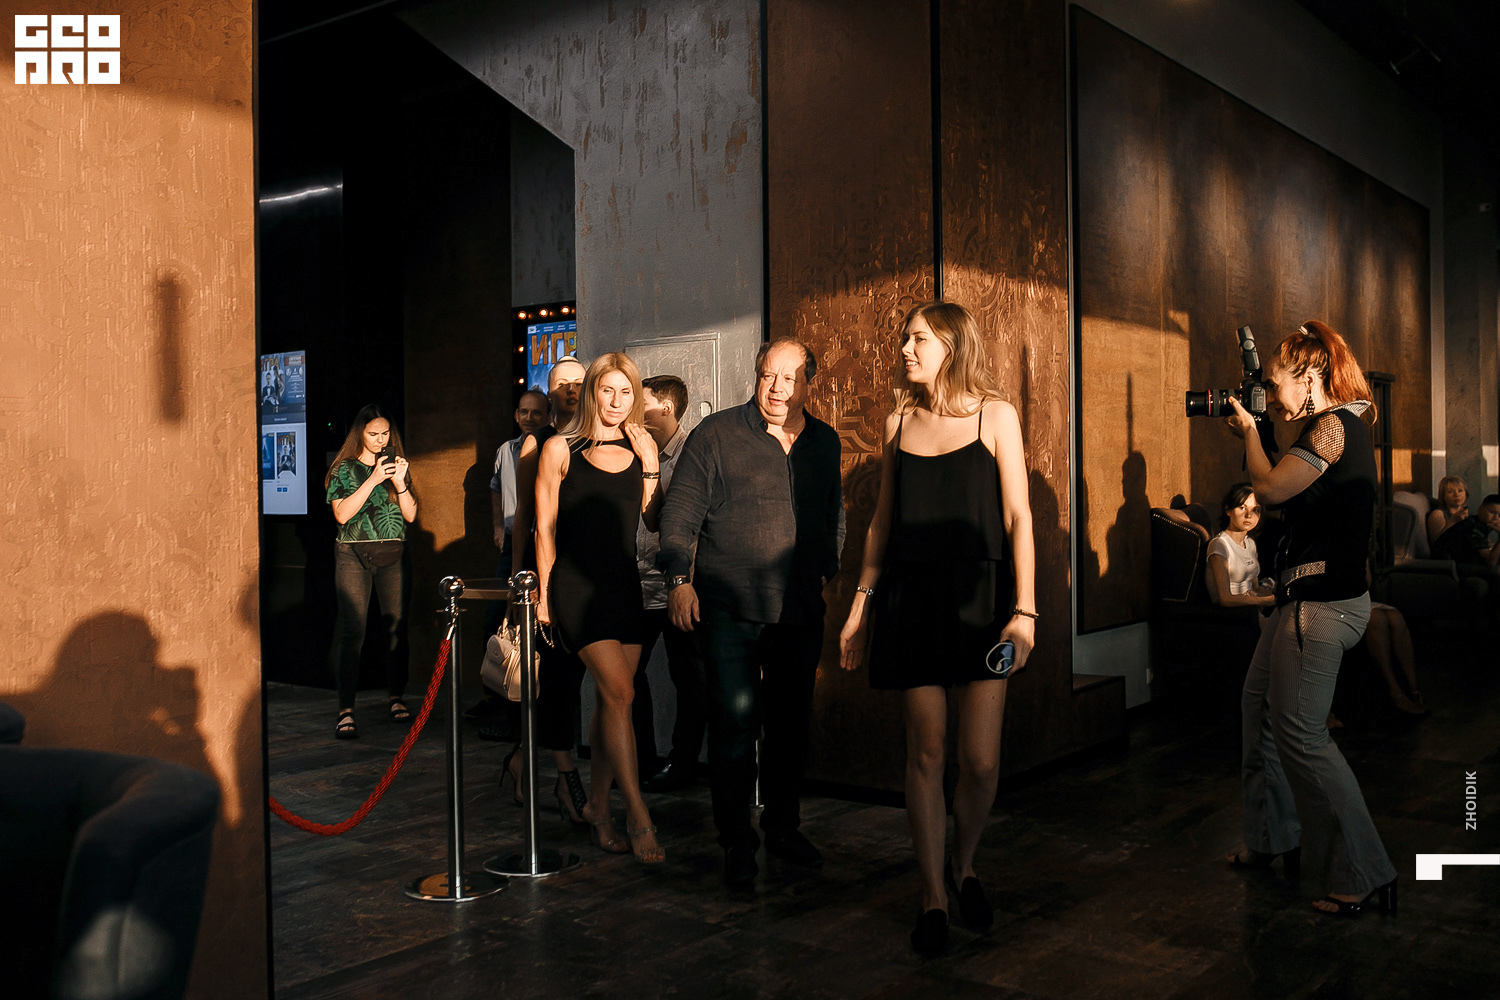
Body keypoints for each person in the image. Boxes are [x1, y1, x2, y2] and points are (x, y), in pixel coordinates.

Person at [836, 301, 1037, 957]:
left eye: (918, 338)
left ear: (953, 345)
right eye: (905, 338)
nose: (905, 349)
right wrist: (861, 608)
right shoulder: (898, 422)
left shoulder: (995, 415)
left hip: (983, 601)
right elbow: (881, 521)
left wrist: (1025, 612)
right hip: (911, 600)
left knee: (980, 760)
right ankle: (932, 896)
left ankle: (964, 863)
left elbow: (1019, 518)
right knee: (925, 752)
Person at [1223, 320, 1397, 916]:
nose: (1271, 397)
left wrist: (1251, 431)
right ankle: (1272, 836)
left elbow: (1270, 490)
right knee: (1257, 709)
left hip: (1322, 604)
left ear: (1311, 375)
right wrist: (1265, 427)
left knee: (1302, 735)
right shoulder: (1328, 428)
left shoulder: (1334, 426)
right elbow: (1292, 491)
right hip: (1300, 599)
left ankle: (1365, 870)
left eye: (1275, 386)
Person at [658, 339, 845, 890]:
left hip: (799, 609)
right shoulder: (715, 435)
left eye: (790, 378)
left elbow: (833, 514)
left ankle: (783, 829)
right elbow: (679, 515)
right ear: (756, 375)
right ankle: (737, 842)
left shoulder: (824, 441)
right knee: (735, 727)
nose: (777, 388)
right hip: (729, 610)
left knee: (790, 726)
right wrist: (679, 581)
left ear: (808, 384)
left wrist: (826, 567)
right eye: (768, 376)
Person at [535, 353, 665, 863]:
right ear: (591, 392)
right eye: (607, 390)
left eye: (626, 392)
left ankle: (597, 809)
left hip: (623, 584)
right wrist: (544, 596)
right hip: (574, 586)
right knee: (621, 691)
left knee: (615, 701)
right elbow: (545, 528)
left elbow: (652, 521)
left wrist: (650, 463)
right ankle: (637, 814)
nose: (616, 401)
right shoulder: (559, 447)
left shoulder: (640, 447)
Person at [501, 358, 592, 825]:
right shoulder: (537, 442)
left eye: (579, 382)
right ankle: (561, 775)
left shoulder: (596, 435)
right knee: (554, 678)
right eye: (562, 384)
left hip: (590, 574)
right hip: (545, 573)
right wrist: (521, 580)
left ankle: (524, 758)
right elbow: (524, 519)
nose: (572, 389)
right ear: (549, 392)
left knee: (568, 679)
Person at [631, 375, 708, 793]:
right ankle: (639, 762)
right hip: (638, 586)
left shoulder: (692, 453)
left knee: (690, 680)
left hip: (679, 586)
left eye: (641, 402)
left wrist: (650, 465)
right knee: (626, 676)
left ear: (665, 407)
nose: (633, 410)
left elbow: (666, 521)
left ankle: (683, 765)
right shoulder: (631, 450)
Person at [324, 404, 418, 740]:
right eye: (373, 434)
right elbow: (342, 514)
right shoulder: (344, 468)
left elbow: (410, 516)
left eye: (385, 433)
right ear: (360, 434)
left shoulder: (397, 466)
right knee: (353, 632)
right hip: (352, 553)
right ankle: (346, 709)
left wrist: (400, 482)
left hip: (392, 553)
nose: (380, 440)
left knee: (396, 628)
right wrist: (374, 478)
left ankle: (396, 696)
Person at [491, 387, 552, 570]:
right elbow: (496, 488)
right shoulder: (505, 451)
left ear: (548, 417)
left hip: (546, 541)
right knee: (506, 587)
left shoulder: (555, 450)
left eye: (536, 413)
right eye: (524, 412)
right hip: (511, 543)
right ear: (516, 415)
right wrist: (498, 527)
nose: (529, 418)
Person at [1206, 483, 1276, 609]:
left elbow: (1255, 588)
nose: (1249, 515)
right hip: (1231, 614)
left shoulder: (1250, 543)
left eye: (1255, 510)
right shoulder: (1220, 544)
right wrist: (1266, 601)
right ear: (1228, 510)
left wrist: (1279, 599)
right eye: (1242, 508)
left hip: (1252, 609)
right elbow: (1225, 599)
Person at [1430, 493, 1500, 568]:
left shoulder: (1479, 523)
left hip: (1459, 564)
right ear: (1480, 509)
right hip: (1446, 567)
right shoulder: (1473, 527)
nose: (1496, 518)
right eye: (1492, 512)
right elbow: (1490, 561)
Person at [1426, 475, 1470, 546]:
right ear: (1443, 496)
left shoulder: (1465, 512)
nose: (1456, 494)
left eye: (1460, 491)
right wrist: (1452, 521)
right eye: (1450, 492)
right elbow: (1437, 543)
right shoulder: (1438, 514)